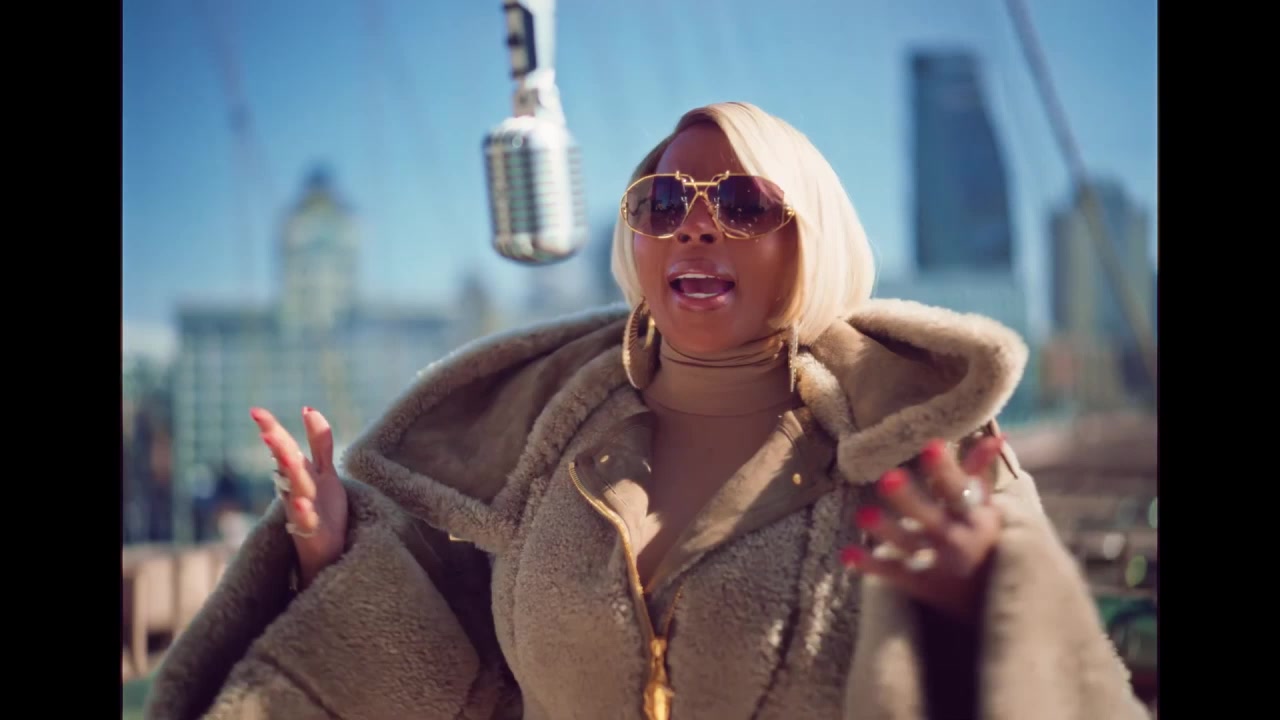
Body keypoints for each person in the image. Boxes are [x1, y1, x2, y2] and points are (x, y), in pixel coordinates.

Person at [145, 102, 1149, 720]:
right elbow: (451, 654)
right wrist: (334, 548)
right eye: (663, 205)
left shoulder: (923, 438)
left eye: (742, 203)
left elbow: (1060, 682)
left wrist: (981, 604)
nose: (694, 226)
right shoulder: (540, 442)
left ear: (811, 239)